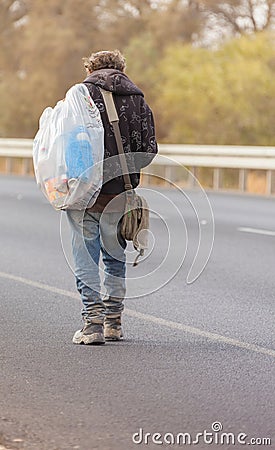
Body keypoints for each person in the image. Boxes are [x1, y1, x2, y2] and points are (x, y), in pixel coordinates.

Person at [67, 50, 158, 345]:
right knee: (115, 256)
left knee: (85, 257)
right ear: (122, 69)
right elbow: (149, 150)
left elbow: (64, 140)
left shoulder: (81, 96)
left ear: (90, 68)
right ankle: (113, 322)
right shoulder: (138, 100)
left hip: (86, 192)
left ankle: (92, 324)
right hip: (120, 193)